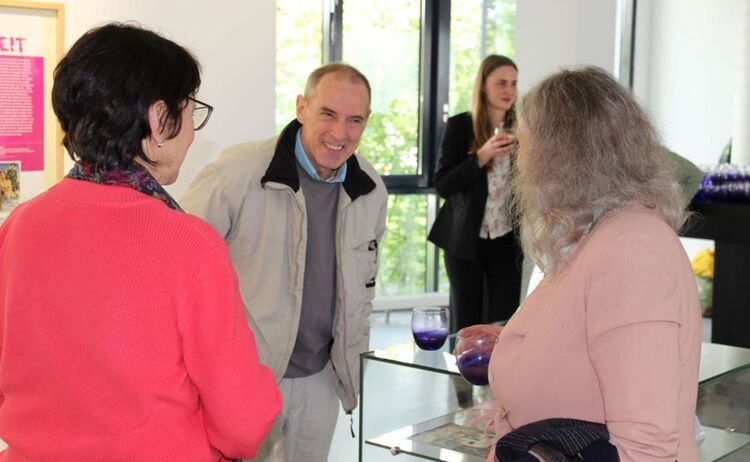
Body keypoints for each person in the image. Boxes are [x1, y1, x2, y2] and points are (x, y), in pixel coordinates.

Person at [0, 23, 281, 461]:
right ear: (158, 118)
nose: (192, 131)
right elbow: (242, 420)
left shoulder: (20, 226)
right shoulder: (189, 245)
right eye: (189, 110)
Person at [475, 67, 701, 461]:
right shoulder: (601, 235)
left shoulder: (632, 249)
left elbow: (646, 447)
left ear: (558, 156)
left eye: (526, 145)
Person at [181, 63, 388, 461]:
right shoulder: (238, 171)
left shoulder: (371, 189)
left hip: (323, 378)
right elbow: (180, 258)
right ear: (302, 108)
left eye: (354, 120)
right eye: (328, 114)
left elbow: (364, 287)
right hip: (247, 377)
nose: (340, 133)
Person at [428, 54, 524, 331]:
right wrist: (481, 156)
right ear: (483, 85)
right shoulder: (459, 127)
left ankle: (499, 375)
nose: (509, 91)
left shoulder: (524, 129)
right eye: (501, 83)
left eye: (514, 84)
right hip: (464, 241)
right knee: (467, 323)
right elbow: (443, 185)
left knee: (505, 321)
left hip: (507, 241)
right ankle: (462, 375)